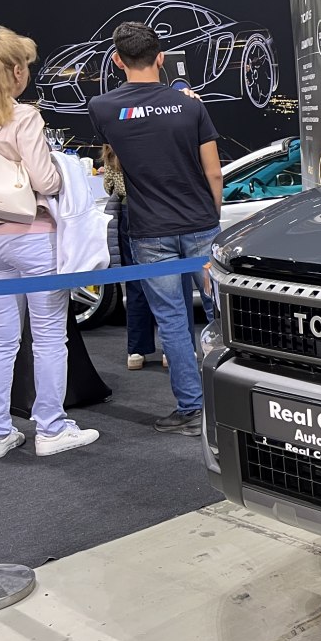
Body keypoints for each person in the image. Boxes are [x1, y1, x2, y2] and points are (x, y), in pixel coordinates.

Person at [87, 22, 223, 437]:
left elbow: (116, 150)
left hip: (149, 230)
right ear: (161, 58)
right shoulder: (190, 105)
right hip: (201, 224)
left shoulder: (103, 108)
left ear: (116, 60)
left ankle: (191, 409)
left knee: (173, 323)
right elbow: (214, 173)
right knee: (223, 315)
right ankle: (235, 406)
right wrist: (211, 218)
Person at [0, 23, 99, 458]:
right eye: (24, 66)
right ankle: (50, 427)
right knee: (49, 336)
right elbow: (46, 180)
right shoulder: (24, 117)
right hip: (32, 238)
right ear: (12, 71)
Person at [100, 144, 163, 372]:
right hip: (158, 212)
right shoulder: (153, 139)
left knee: (136, 284)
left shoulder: (113, 144)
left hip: (129, 213)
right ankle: (170, 349)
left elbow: (109, 186)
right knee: (168, 282)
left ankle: (136, 351)